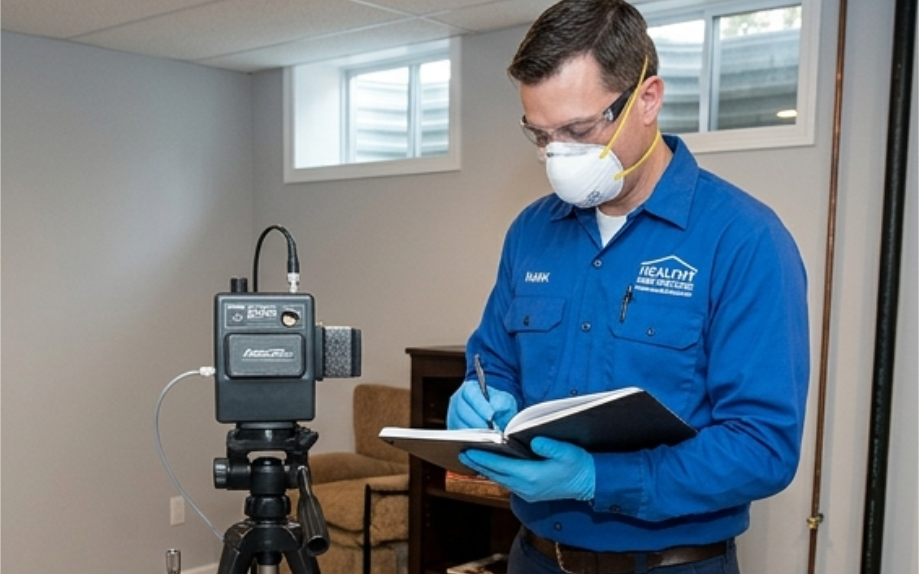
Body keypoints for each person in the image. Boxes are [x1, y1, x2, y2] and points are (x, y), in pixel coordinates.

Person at [445, 1, 810, 573]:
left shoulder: (744, 239)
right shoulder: (531, 233)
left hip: (672, 563)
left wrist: (598, 480)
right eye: (540, 135)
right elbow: (495, 363)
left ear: (647, 99)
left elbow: (762, 447)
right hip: (535, 558)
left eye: (579, 129)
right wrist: (482, 398)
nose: (557, 154)